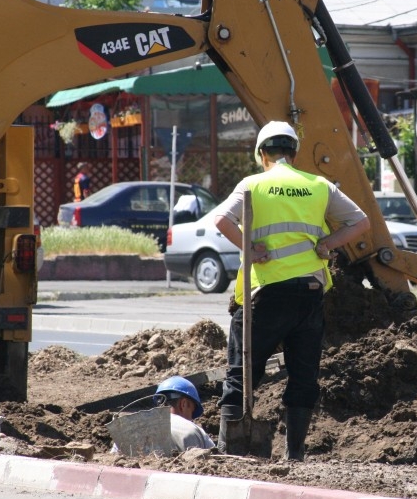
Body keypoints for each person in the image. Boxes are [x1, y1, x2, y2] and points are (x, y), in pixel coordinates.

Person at [213, 121, 370, 460]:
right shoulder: (318, 185)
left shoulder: (252, 184)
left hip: (266, 294)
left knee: (242, 372)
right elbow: (361, 222)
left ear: (261, 153)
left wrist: (250, 249)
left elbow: (222, 221)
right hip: (309, 294)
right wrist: (328, 244)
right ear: (294, 153)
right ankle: (295, 453)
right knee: (303, 376)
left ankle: (231, 448)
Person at [154, 376, 216, 451]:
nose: (191, 419)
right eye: (192, 411)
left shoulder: (145, 429)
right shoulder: (193, 431)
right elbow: (217, 459)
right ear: (184, 404)